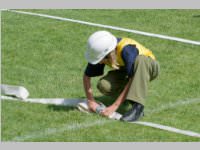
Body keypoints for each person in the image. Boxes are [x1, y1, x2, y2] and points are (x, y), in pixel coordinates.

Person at [83, 30, 160, 122]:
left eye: (100, 59)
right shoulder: (102, 51)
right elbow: (87, 76)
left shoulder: (127, 50)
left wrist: (114, 106)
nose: (99, 62)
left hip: (148, 67)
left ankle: (138, 107)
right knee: (104, 85)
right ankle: (129, 99)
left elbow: (133, 78)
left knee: (141, 60)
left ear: (109, 54)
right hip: (127, 71)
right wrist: (91, 101)